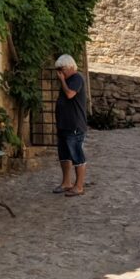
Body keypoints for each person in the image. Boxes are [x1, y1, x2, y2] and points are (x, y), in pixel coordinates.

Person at [52, 54, 88, 196]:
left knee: (77, 155)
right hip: (63, 125)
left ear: (71, 67)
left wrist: (62, 80)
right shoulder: (67, 80)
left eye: (62, 70)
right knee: (64, 155)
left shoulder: (76, 78)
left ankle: (79, 186)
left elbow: (70, 94)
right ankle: (66, 182)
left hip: (74, 125)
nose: (60, 73)